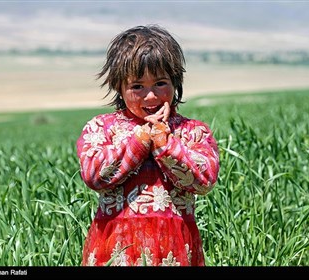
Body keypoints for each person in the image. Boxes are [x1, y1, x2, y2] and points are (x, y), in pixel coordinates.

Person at [76, 24, 219, 266]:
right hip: (115, 249)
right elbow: (93, 175)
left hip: (175, 249)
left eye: (160, 83)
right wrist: (141, 140)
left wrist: (165, 144)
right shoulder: (102, 128)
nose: (151, 96)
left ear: (176, 82)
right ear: (118, 87)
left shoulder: (192, 131)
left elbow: (204, 180)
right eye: (137, 87)